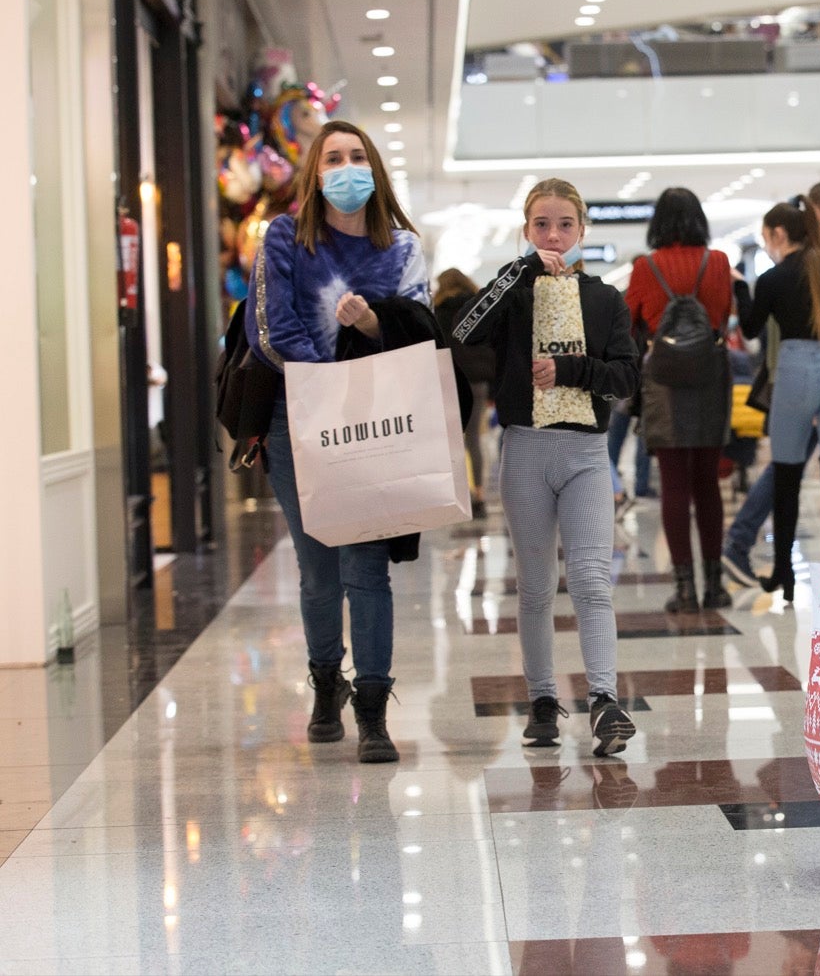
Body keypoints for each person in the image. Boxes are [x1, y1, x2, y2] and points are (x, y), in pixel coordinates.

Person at [245, 119, 428, 763]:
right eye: (333, 159)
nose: (346, 169)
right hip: (296, 421)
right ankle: (327, 683)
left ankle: (373, 710)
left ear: (373, 169)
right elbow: (271, 329)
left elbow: (420, 329)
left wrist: (374, 324)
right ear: (314, 174)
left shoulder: (401, 247)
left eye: (357, 157)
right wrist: (328, 389)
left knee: (366, 569)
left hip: (374, 425)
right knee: (320, 570)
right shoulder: (285, 238)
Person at [453, 178, 640, 756]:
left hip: (586, 455)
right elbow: (461, 331)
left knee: (590, 580)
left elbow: (627, 377)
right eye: (541, 225)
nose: (553, 235)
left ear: (582, 230)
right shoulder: (514, 291)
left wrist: (573, 371)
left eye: (564, 225)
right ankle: (541, 700)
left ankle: (605, 700)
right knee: (534, 585)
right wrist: (517, 273)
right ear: (526, 231)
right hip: (525, 450)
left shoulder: (604, 298)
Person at [722, 180, 820, 587]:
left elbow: (750, 328)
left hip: (797, 372)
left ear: (779, 234)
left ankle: (784, 573)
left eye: (766, 238)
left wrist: (740, 286)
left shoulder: (773, 278)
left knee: (787, 476)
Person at [626, 188, 736, 611]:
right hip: (710, 376)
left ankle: (685, 588)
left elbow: (630, 319)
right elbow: (722, 315)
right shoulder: (718, 262)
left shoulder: (645, 266)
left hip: (664, 381)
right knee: (707, 482)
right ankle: (715, 585)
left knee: (673, 484)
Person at [434, 268, 498, 519]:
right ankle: (479, 495)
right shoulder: (478, 307)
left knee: (453, 440)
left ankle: (458, 496)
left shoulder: (439, 311)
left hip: (450, 381)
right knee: (474, 439)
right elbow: (491, 346)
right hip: (478, 381)